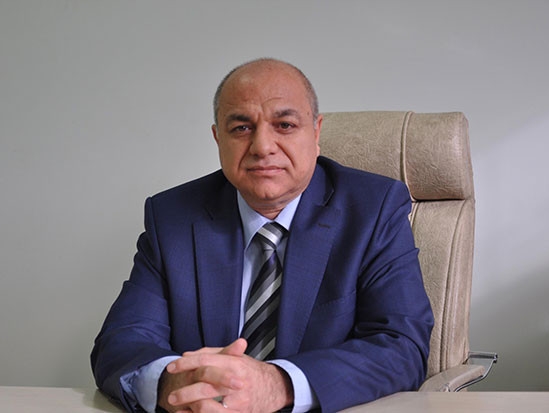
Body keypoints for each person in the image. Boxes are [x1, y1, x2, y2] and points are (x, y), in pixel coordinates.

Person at [91, 58, 433, 413]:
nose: (262, 146)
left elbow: (402, 347)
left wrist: (278, 384)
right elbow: (122, 342)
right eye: (241, 128)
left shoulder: (374, 209)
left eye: (284, 125)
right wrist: (171, 383)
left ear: (316, 132)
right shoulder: (174, 217)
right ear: (218, 138)